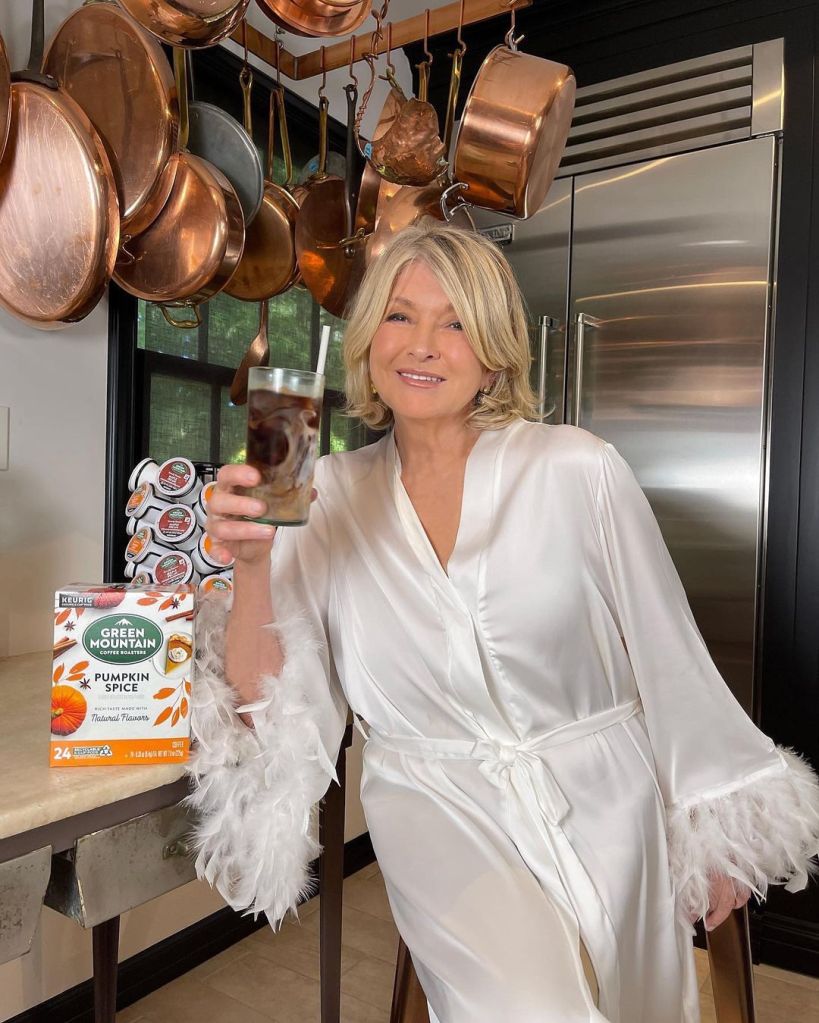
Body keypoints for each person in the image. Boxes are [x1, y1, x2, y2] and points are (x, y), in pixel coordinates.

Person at [186, 222, 819, 1023]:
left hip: (608, 799)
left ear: (492, 353)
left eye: (454, 322)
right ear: (369, 338)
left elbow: (668, 651)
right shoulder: (326, 494)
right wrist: (251, 566)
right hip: (435, 807)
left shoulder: (577, 468)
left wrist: (714, 815)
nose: (422, 344)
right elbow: (275, 714)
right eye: (399, 315)